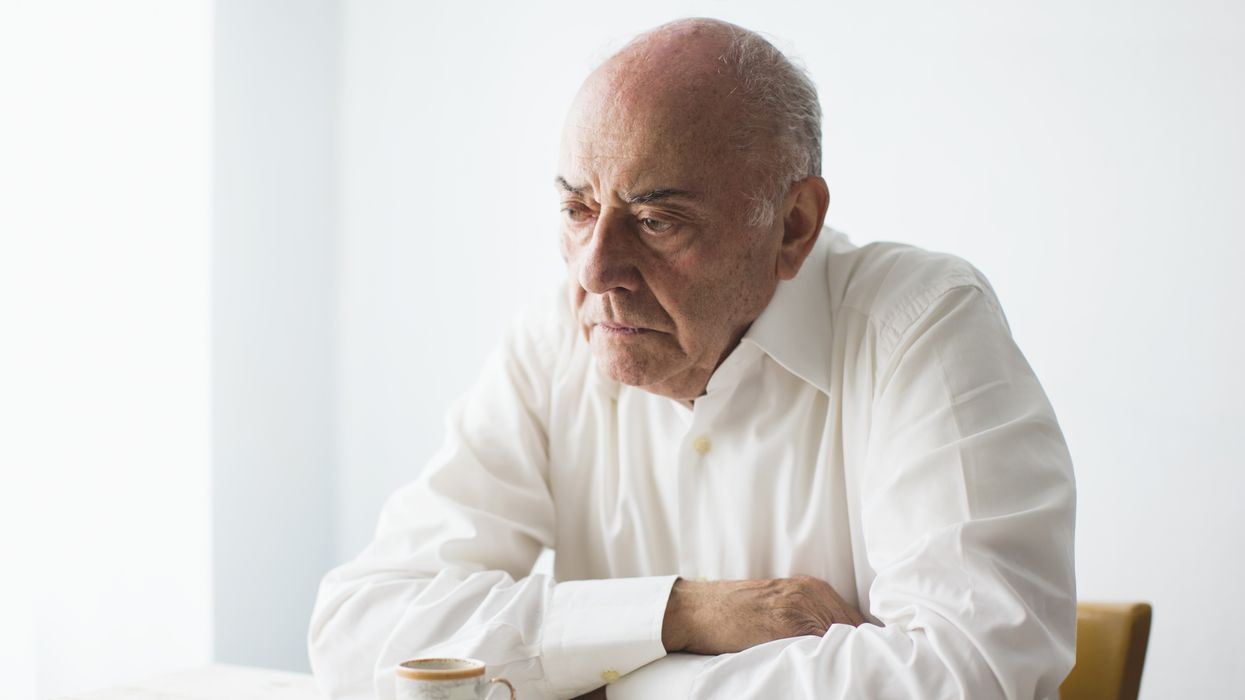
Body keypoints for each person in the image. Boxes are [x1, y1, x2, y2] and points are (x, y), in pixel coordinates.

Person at [308, 17, 1076, 700]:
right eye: (577, 209)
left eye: (655, 220)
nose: (594, 270)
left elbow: (972, 673)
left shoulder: (918, 322)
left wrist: (605, 678)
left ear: (793, 226)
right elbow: (357, 633)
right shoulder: (555, 340)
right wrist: (681, 612)